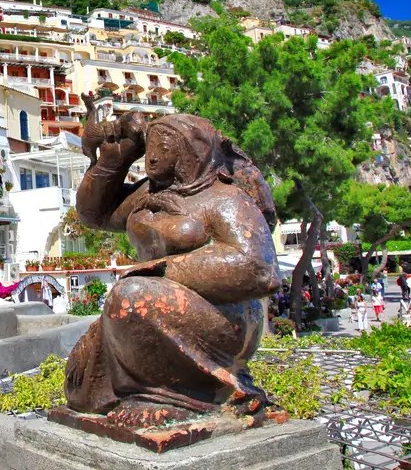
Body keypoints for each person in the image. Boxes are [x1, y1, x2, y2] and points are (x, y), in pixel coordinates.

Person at [66, 109, 280, 424]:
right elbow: (94, 216)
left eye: (165, 144)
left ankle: (177, 401)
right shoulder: (149, 192)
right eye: (151, 144)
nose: (153, 155)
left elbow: (258, 266)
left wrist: (161, 269)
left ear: (191, 151)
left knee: (132, 296)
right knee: (79, 383)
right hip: (153, 300)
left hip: (224, 318)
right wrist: (113, 161)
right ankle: (146, 393)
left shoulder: (224, 198)